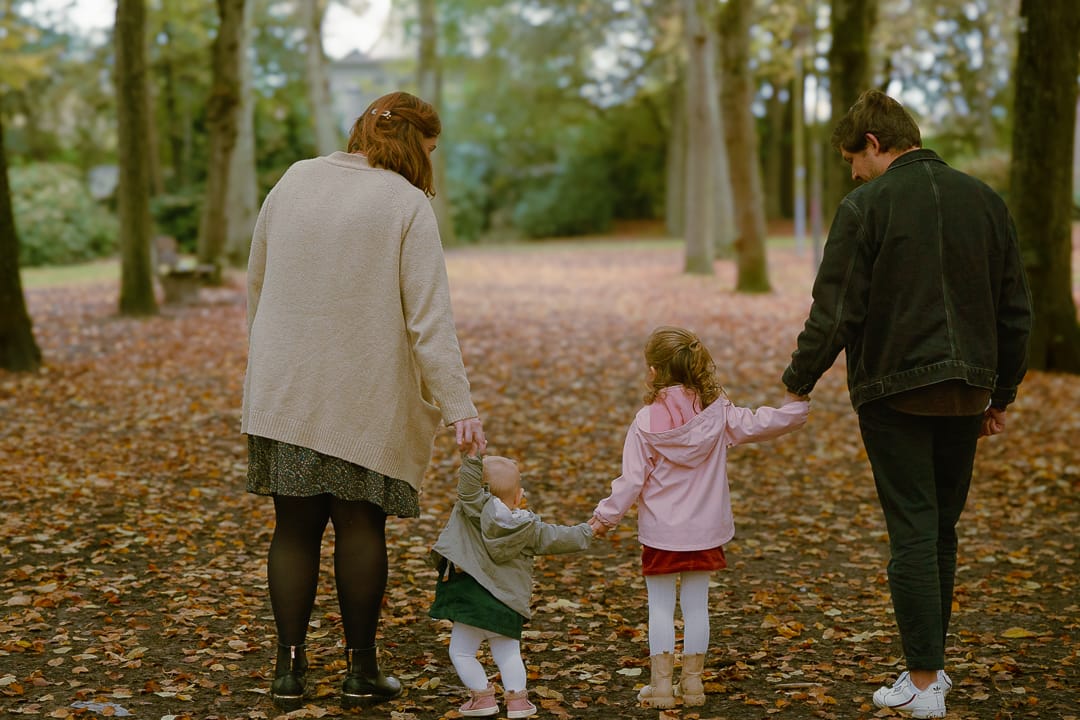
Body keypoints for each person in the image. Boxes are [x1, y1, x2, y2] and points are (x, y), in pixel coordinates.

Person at [782, 89, 1032, 719]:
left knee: (914, 531)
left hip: (894, 390)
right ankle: (931, 674)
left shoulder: (865, 205)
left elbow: (837, 308)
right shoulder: (985, 200)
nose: (852, 173)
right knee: (939, 530)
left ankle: (922, 685)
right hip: (969, 389)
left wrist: (797, 380)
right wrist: (999, 394)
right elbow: (1015, 311)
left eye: (851, 159)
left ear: (873, 143)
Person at [241, 91, 487, 711]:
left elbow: (258, 286)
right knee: (358, 526)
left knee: (292, 529)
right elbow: (429, 323)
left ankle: (288, 673)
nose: (430, 163)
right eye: (429, 150)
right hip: (361, 394)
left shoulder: (294, 180)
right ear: (413, 146)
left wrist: (269, 367)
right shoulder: (405, 204)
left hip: (285, 390)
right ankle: (360, 672)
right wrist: (460, 405)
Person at [589, 326, 810, 709]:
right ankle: (692, 686)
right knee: (696, 607)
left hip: (661, 534)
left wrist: (603, 519)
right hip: (705, 532)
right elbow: (760, 422)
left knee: (659, 606)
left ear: (655, 372)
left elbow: (631, 481)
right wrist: (795, 408)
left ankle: (661, 688)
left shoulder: (644, 422)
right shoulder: (718, 413)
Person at [428, 452, 593, 718]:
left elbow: (468, 488)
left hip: (471, 601)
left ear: (481, 492)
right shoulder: (529, 529)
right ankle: (518, 701)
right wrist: (590, 530)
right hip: (507, 605)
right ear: (518, 497)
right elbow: (560, 537)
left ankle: (482, 697)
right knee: (508, 655)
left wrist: (471, 455)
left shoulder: (473, 510)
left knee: (461, 653)